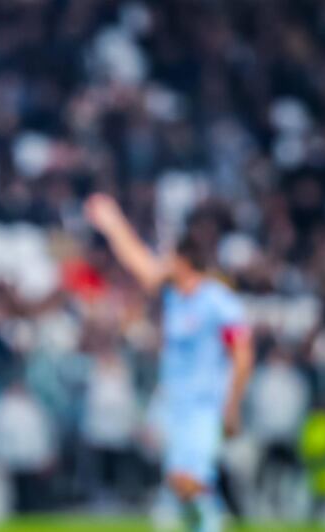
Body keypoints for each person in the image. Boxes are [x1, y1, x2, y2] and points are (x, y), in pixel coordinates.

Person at [84, 194, 253, 532]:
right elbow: (139, 262)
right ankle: (209, 522)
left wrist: (232, 406)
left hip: (205, 404)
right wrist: (113, 222)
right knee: (181, 482)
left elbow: (243, 356)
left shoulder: (220, 303)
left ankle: (212, 523)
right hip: (176, 403)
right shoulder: (175, 296)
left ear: (184, 261)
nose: (164, 262)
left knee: (190, 481)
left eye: (170, 257)